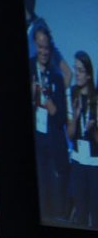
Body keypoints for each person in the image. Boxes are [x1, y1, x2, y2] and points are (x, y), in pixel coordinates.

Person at [31, 22, 69, 223]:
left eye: (46, 48)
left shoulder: (56, 76)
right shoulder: (28, 67)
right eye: (40, 47)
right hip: (35, 138)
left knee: (54, 184)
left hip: (52, 138)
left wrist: (52, 107)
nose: (43, 52)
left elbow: (62, 116)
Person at [66, 51, 98, 226]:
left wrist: (93, 130)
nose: (76, 74)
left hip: (94, 164)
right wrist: (76, 116)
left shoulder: (96, 97)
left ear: (89, 74)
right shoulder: (72, 94)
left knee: (95, 210)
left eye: (80, 71)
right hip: (78, 162)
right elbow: (70, 135)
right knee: (80, 211)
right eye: (75, 69)